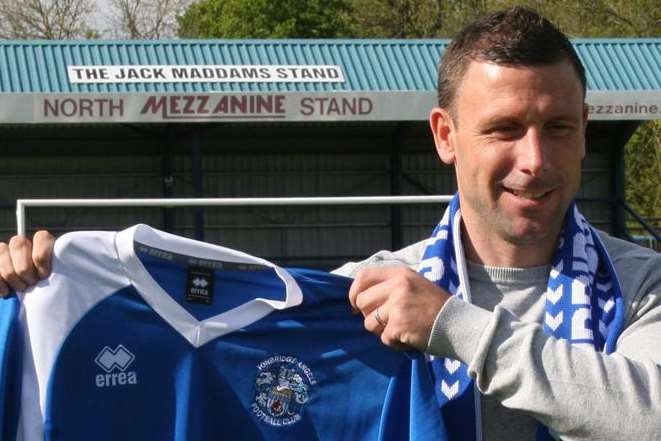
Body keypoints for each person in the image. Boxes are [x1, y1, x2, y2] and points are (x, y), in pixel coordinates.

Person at [1, 7, 660, 441]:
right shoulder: (365, 300)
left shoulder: (640, 286)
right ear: (445, 135)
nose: (534, 159)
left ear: (584, 133)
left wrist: (452, 328)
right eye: (503, 130)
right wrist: (25, 294)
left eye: (558, 128)